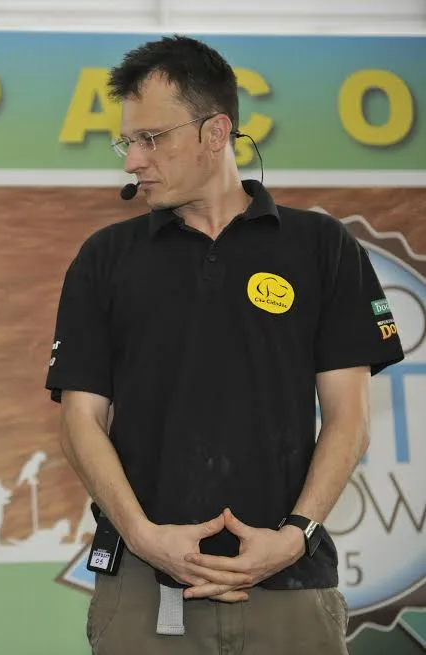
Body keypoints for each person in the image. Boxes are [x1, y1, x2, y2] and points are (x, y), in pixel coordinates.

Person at [44, 35, 405, 654]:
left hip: (292, 586)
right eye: (126, 142)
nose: (132, 161)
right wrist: (141, 534)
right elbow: (81, 420)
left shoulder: (322, 248)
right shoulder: (104, 259)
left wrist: (295, 536)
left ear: (217, 132)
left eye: (150, 139)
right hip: (142, 587)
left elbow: (350, 419)